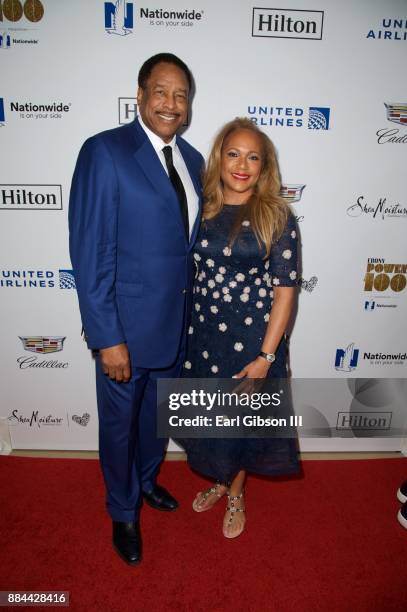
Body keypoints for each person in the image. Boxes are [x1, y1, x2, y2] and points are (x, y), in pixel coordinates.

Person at [69, 53, 203, 565]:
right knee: (120, 426)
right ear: (141, 96)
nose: (171, 103)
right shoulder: (105, 152)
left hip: (176, 328)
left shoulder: (192, 160)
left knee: (154, 424)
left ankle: (147, 482)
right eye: (161, 92)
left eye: (181, 95)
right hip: (124, 332)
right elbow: (91, 250)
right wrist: (106, 337)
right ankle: (123, 511)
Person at [178, 117, 300, 539]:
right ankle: (219, 478)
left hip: (251, 343)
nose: (242, 164)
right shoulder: (202, 206)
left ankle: (236, 494)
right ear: (220, 157)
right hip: (202, 336)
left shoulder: (277, 215)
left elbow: (285, 292)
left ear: (264, 167)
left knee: (242, 422)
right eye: (233, 153)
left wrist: (266, 358)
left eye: (253, 157)